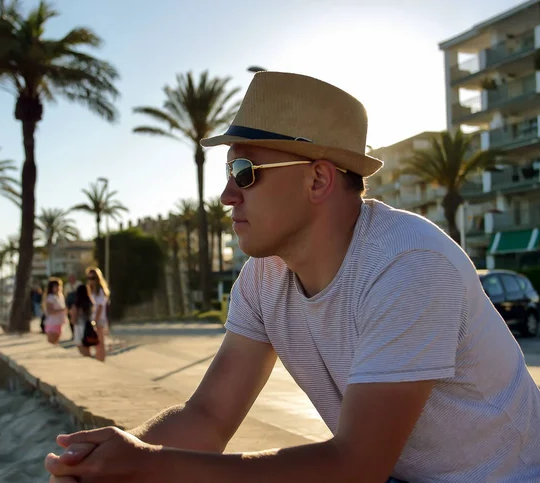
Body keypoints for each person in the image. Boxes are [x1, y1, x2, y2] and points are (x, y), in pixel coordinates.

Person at [45, 72, 540, 482]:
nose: (226, 195)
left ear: (319, 179)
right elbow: (209, 417)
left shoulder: (407, 265)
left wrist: (149, 464)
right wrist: (104, 462)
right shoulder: (265, 277)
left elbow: (355, 466)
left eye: (244, 171)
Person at [85, 266, 110, 362]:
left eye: (93, 278)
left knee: (100, 342)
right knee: (95, 343)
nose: (91, 280)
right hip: (92, 318)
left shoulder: (100, 291)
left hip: (99, 319)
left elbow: (100, 306)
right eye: (89, 278)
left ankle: (101, 361)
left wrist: (94, 321)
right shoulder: (90, 290)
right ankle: (98, 360)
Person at [70, 283, 96, 358]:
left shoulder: (77, 304)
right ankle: (90, 357)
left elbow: (73, 319)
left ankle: (89, 359)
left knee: (81, 346)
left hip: (79, 326)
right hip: (89, 325)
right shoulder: (90, 302)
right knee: (87, 345)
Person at [42, 278, 67, 344]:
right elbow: (50, 311)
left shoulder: (60, 295)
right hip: (52, 323)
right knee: (52, 342)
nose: (58, 287)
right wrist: (62, 309)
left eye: (59, 285)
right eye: (55, 286)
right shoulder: (50, 297)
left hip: (60, 322)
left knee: (56, 342)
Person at [64, 274, 80, 341]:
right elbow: (66, 295)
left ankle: (78, 334)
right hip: (70, 305)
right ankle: (73, 333)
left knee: (78, 320)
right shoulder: (67, 286)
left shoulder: (79, 284)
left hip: (77, 304)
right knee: (71, 320)